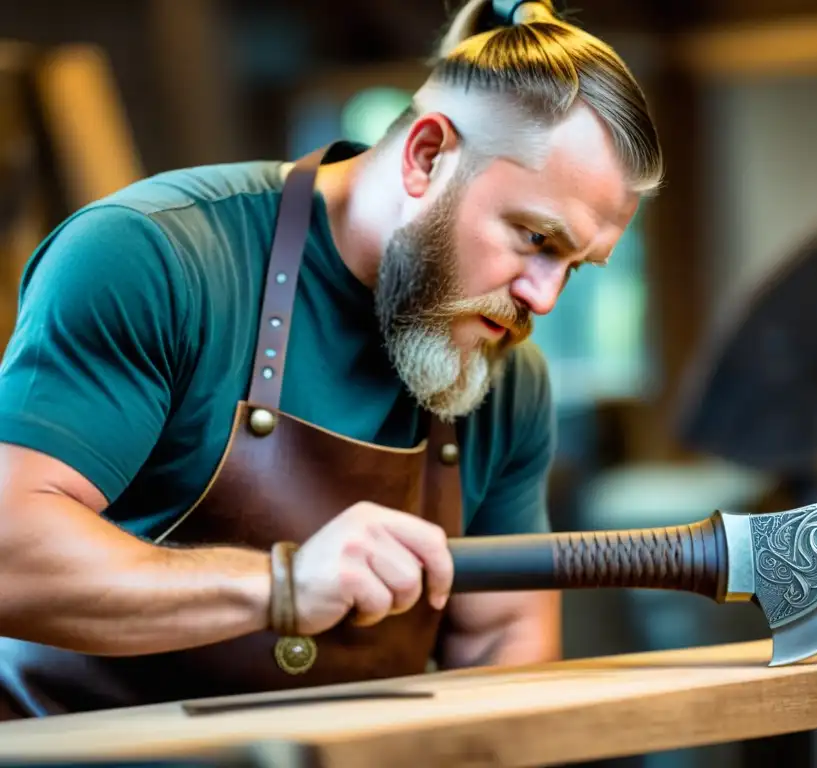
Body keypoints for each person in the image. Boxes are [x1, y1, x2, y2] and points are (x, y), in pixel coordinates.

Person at [0, 0, 662, 719]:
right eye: (536, 239)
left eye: (577, 267)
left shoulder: (503, 378)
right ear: (427, 156)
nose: (545, 298)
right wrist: (282, 587)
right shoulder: (155, 259)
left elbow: (504, 637)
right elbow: (10, 555)